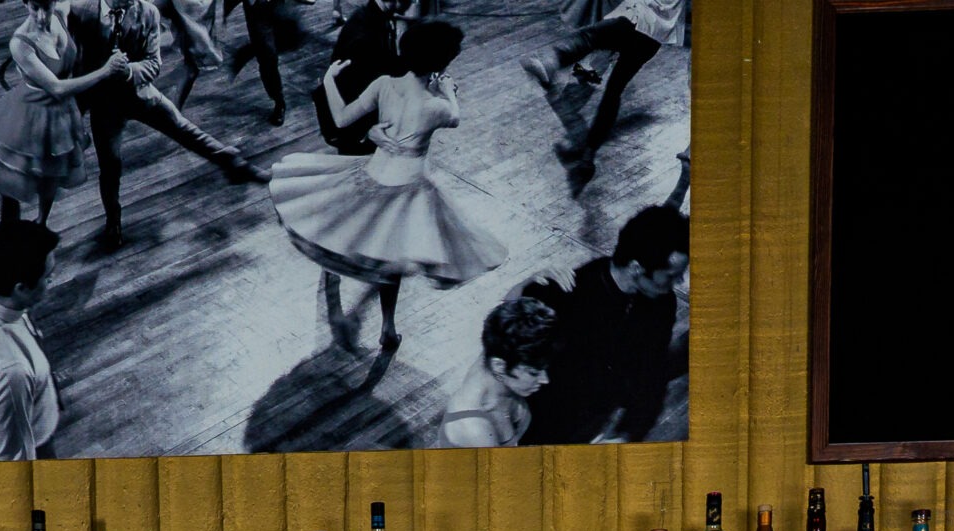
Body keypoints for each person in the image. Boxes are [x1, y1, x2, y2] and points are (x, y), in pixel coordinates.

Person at [266, 21, 506, 354]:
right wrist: (448, 88)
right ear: (442, 63)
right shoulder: (435, 107)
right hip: (407, 193)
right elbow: (454, 117)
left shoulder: (384, 85)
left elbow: (342, 118)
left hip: (372, 177)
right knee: (395, 262)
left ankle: (378, 323)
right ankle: (382, 325)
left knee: (378, 254)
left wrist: (329, 81)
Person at [70, 0, 261, 252]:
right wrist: (76, 113)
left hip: (141, 95)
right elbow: (73, 63)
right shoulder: (81, 11)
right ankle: (113, 221)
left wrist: (128, 70)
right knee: (110, 166)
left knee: (182, 128)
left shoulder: (147, 12)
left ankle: (231, 161)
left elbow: (153, 63)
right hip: (104, 106)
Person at [518, 203, 688, 444]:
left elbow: (653, 369)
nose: (679, 281)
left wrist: (629, 433)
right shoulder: (563, 294)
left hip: (595, 415)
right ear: (636, 268)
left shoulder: (662, 302)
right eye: (671, 275)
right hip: (546, 416)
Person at [0, 0, 137, 224]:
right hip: (30, 112)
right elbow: (56, 88)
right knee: (14, 172)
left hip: (61, 114)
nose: (42, 15)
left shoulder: (63, 12)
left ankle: (41, 222)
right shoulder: (20, 42)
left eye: (47, 6)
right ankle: (9, 225)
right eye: (35, 7)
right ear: (25, 3)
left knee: (51, 173)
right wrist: (105, 71)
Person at [523, 0, 689, 184]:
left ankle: (552, 63)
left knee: (590, 38)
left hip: (637, 19)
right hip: (655, 37)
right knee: (614, 91)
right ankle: (589, 154)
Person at [0, 218, 64, 462]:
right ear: (21, 288)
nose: (52, 281)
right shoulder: (11, 372)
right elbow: (13, 459)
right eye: (48, 276)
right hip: (32, 446)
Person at [438, 297, 554, 448]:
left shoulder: (500, 344)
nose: (545, 380)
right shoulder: (474, 428)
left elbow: (510, 303)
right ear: (499, 366)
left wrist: (536, 276)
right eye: (533, 373)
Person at [313, 0, 408, 153]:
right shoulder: (364, 35)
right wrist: (367, 131)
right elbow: (354, 89)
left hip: (366, 119)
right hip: (358, 130)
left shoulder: (378, 18)